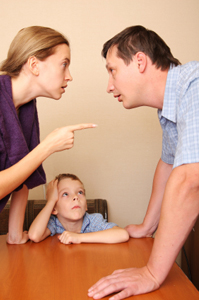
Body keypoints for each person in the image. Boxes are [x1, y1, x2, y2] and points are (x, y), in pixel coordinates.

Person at [88, 25, 199, 300]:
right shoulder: (169, 107)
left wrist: (151, 273)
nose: (109, 86)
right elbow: (169, 165)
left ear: (139, 61)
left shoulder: (194, 86)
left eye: (112, 70)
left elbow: (190, 179)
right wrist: (148, 226)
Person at [0, 26, 96, 245]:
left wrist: (15, 232)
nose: (69, 76)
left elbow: (23, 170)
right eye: (64, 64)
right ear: (34, 65)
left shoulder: (25, 108)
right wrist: (48, 146)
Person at [29, 173, 129, 244]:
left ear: (85, 206)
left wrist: (79, 237)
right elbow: (34, 236)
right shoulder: (54, 224)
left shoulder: (93, 221)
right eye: (65, 194)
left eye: (80, 192)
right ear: (54, 209)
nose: (75, 197)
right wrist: (51, 201)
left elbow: (122, 234)